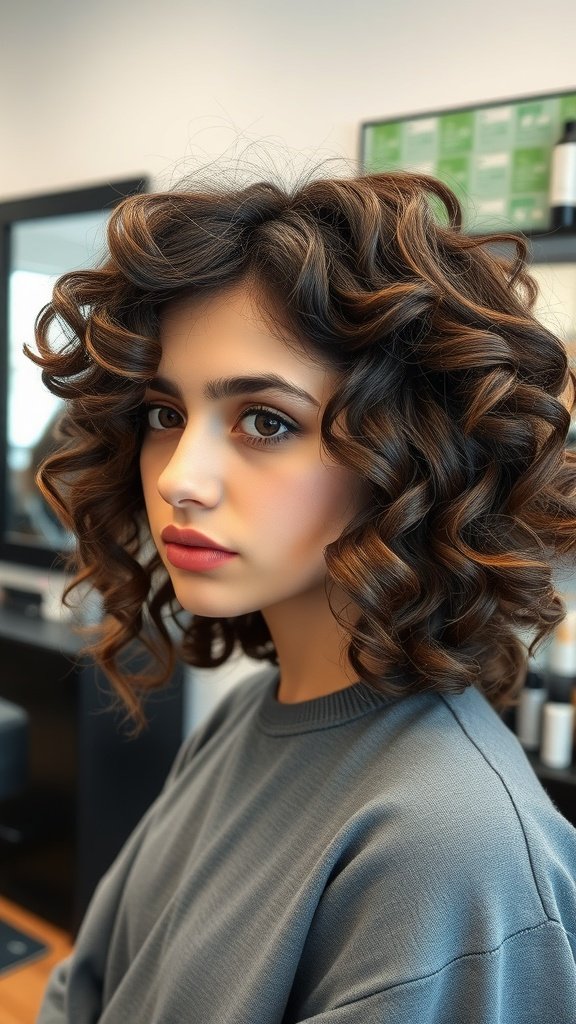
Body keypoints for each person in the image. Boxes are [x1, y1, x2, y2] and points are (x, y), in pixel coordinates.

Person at [29, 168, 576, 1023]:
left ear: (409, 461)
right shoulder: (246, 718)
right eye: (165, 415)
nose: (180, 479)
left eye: (266, 422)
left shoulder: (448, 846)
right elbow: (88, 987)